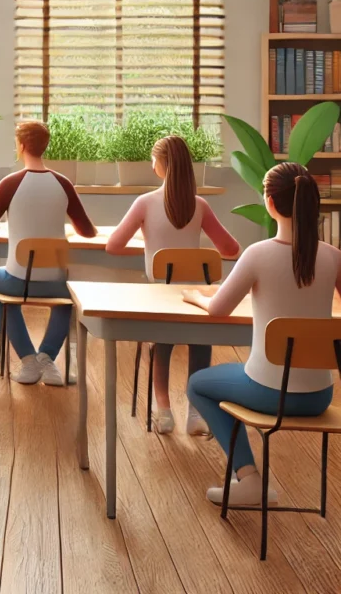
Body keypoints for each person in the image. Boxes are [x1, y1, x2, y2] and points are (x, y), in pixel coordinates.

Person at [184, 162, 338, 507]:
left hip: (270, 393)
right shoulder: (333, 257)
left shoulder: (257, 254)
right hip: (320, 396)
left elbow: (219, 309)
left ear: (269, 203)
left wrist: (195, 295)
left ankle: (249, 478)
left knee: (197, 384)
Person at [106, 135, 240, 435]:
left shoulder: (144, 203)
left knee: (161, 343)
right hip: (194, 298)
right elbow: (232, 249)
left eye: (154, 160)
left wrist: (146, 238)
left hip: (160, 296)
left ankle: (163, 410)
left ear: (161, 164)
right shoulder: (200, 205)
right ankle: (196, 412)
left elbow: (113, 246)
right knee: (200, 342)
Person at [0, 120, 96, 386]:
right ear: (45, 146)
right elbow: (87, 231)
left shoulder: (10, 183)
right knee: (69, 294)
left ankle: (28, 359)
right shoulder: (63, 183)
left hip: (17, 281)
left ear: (21, 146)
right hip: (56, 283)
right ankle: (47, 358)